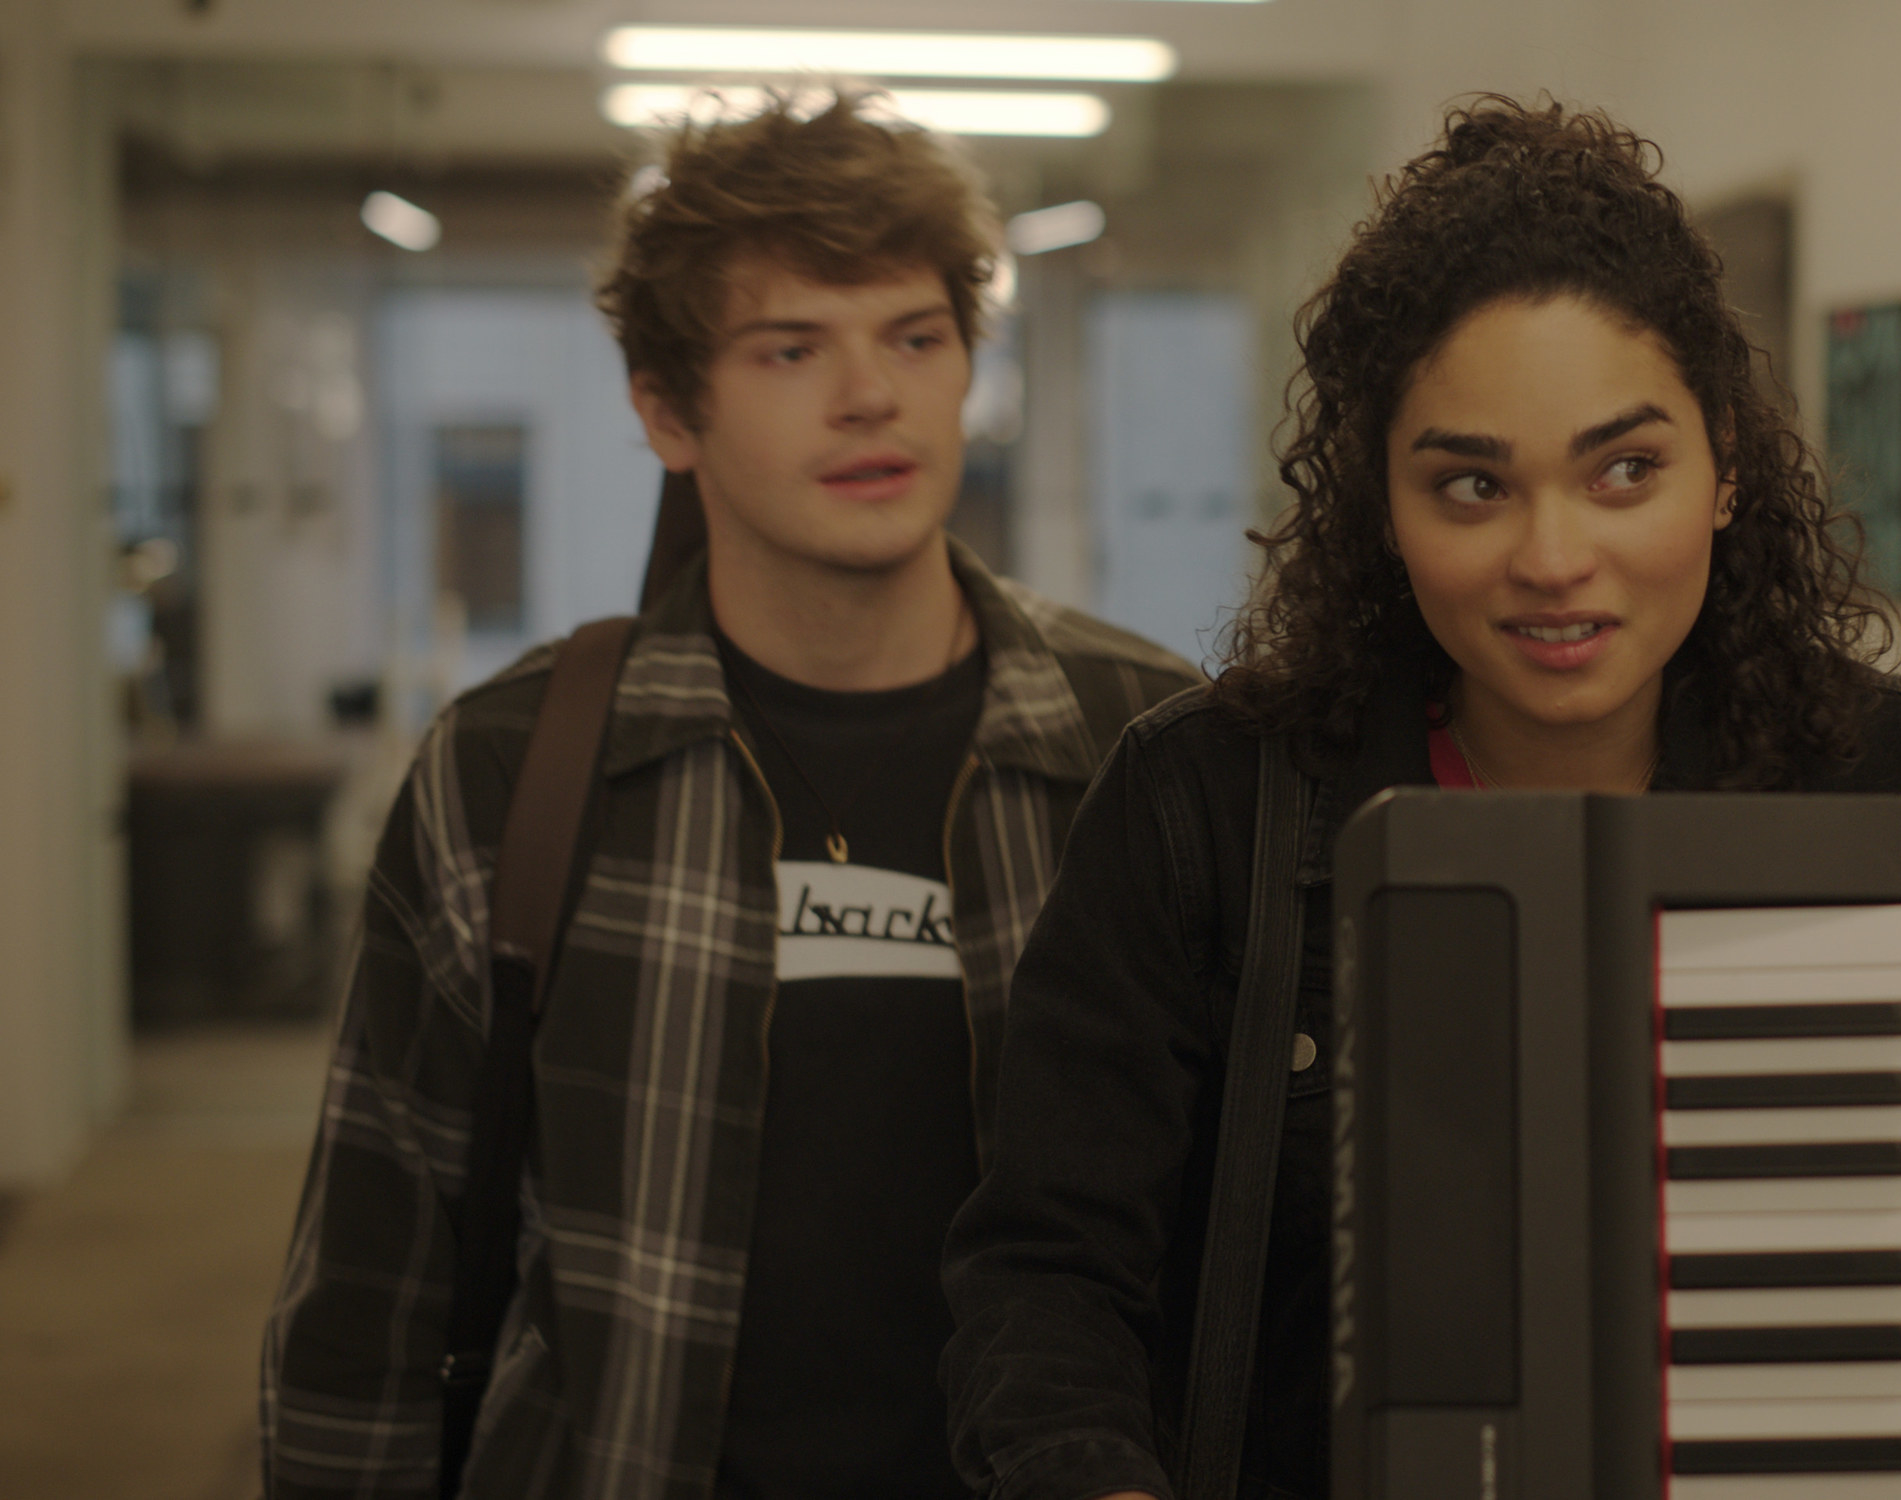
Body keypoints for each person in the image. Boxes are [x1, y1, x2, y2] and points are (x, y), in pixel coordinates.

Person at [939, 98, 1901, 1500]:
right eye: (1473, 485)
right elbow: (1047, 1278)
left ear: (1727, 466)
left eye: (1626, 470)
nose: (1553, 557)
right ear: (1382, 500)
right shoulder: (1208, 806)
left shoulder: (1888, 772)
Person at [261, 94, 1200, 1498]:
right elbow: (370, 1289)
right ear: (666, 411)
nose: (869, 394)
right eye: (790, 347)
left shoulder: (1147, 744)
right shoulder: (517, 770)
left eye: (915, 336)